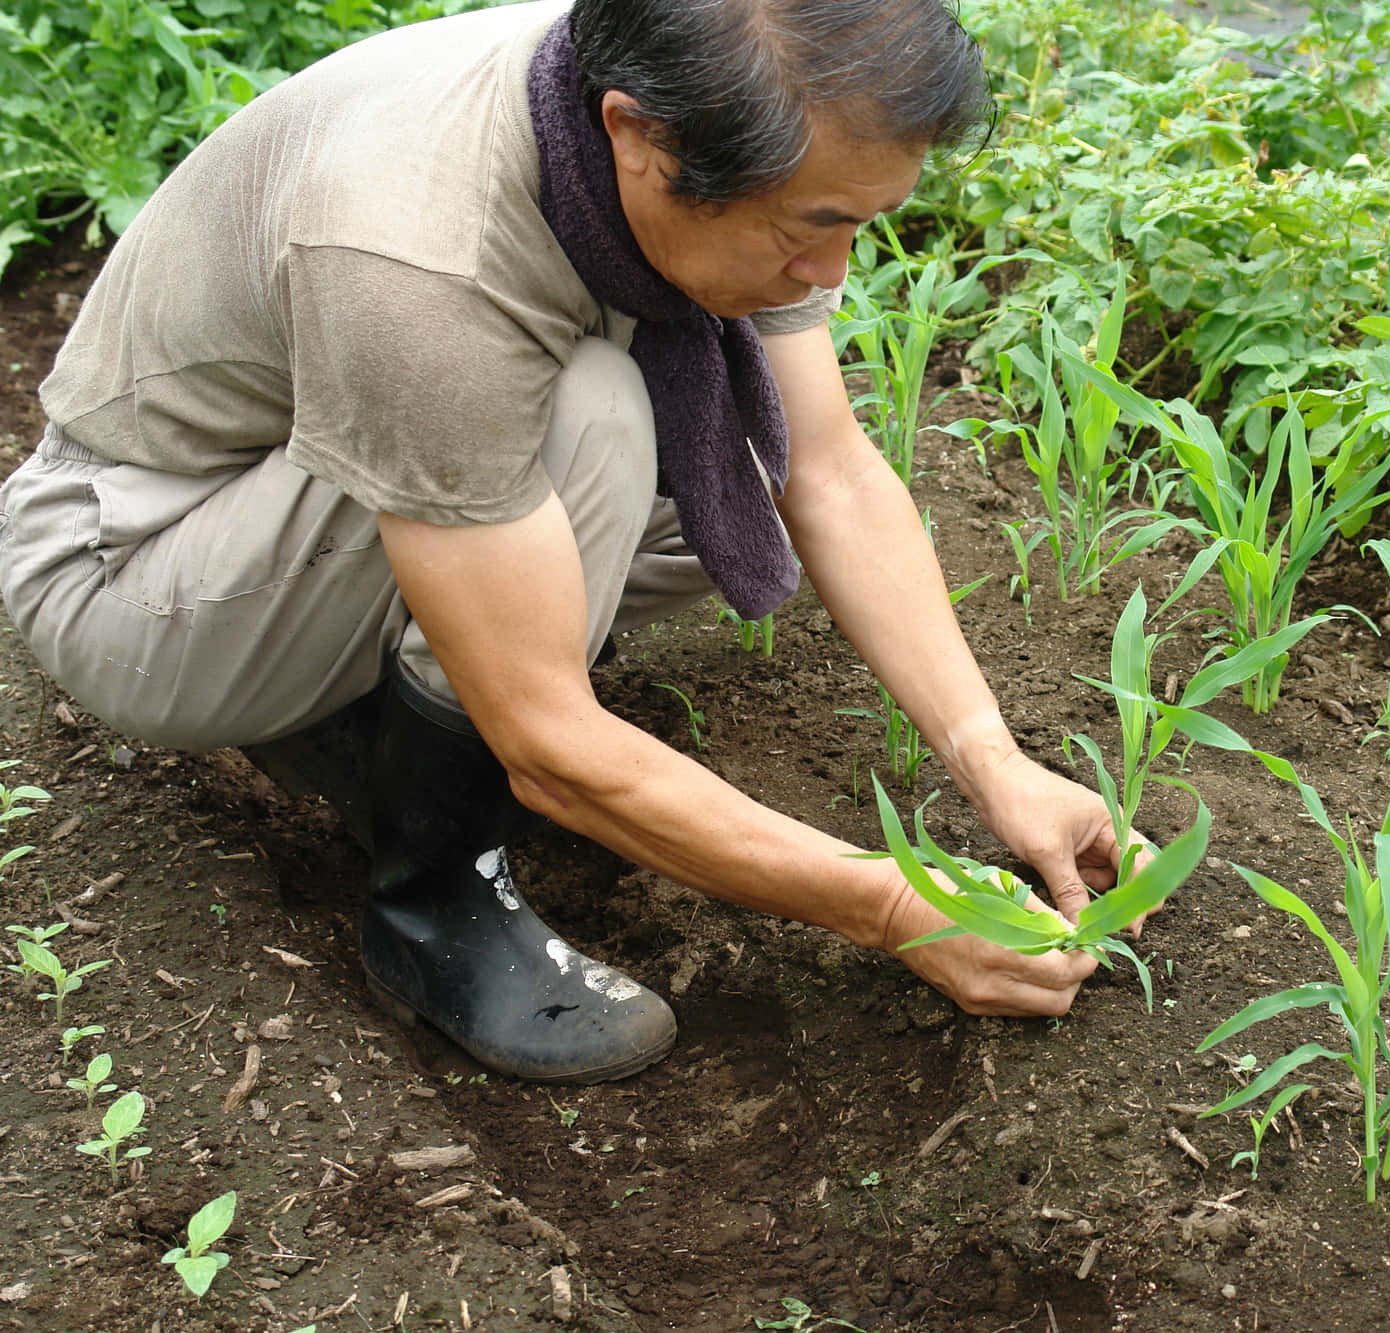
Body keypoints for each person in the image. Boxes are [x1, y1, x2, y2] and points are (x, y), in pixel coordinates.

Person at [0, 0, 1142, 1084]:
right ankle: (434, 910)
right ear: (639, 139)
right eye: (816, 228)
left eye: (859, 223)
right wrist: (894, 904)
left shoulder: (708, 94)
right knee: (590, 415)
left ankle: (365, 710)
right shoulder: (422, 251)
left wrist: (996, 764)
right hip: (135, 574)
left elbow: (827, 475)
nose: (834, 275)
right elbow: (546, 742)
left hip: (287, 513)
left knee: (738, 453)